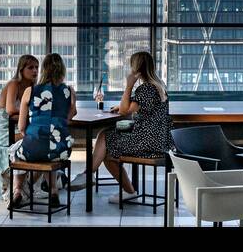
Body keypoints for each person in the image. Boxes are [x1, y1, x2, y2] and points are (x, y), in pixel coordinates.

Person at [72, 50, 172, 202]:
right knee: (106, 138)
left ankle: (91, 176)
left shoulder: (146, 88)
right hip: (159, 139)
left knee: (107, 142)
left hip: (146, 141)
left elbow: (125, 110)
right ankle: (94, 177)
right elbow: (131, 107)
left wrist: (129, 85)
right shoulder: (159, 86)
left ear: (137, 69)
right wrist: (122, 107)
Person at [15, 52, 77, 207]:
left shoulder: (30, 91)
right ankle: (54, 192)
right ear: (62, 70)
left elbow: (22, 126)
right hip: (60, 149)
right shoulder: (69, 91)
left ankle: (17, 191)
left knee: (18, 152)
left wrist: (32, 136)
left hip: (33, 146)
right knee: (50, 152)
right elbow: (69, 117)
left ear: (43, 70)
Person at [0, 54, 36, 202]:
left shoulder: (32, 87)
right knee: (31, 140)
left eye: (37, 67)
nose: (35, 71)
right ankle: (21, 185)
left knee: (39, 138)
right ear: (21, 69)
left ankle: (32, 183)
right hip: (5, 129)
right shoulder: (14, 84)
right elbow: (11, 109)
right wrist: (31, 111)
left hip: (19, 125)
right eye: (30, 67)